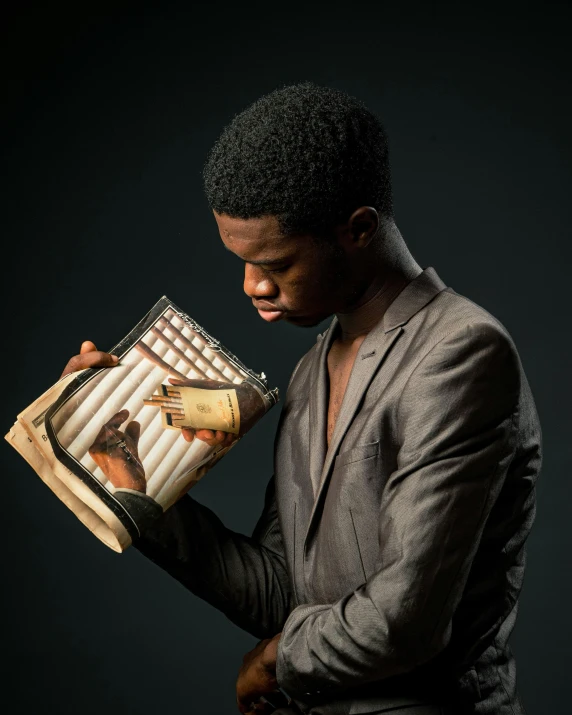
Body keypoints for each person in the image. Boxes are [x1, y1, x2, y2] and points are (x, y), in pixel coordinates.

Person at [61, 83, 541, 715]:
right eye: (241, 261)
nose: (251, 286)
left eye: (276, 263)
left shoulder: (461, 352)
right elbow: (280, 593)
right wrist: (130, 485)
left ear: (359, 229)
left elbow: (406, 620)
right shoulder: (313, 371)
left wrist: (276, 661)